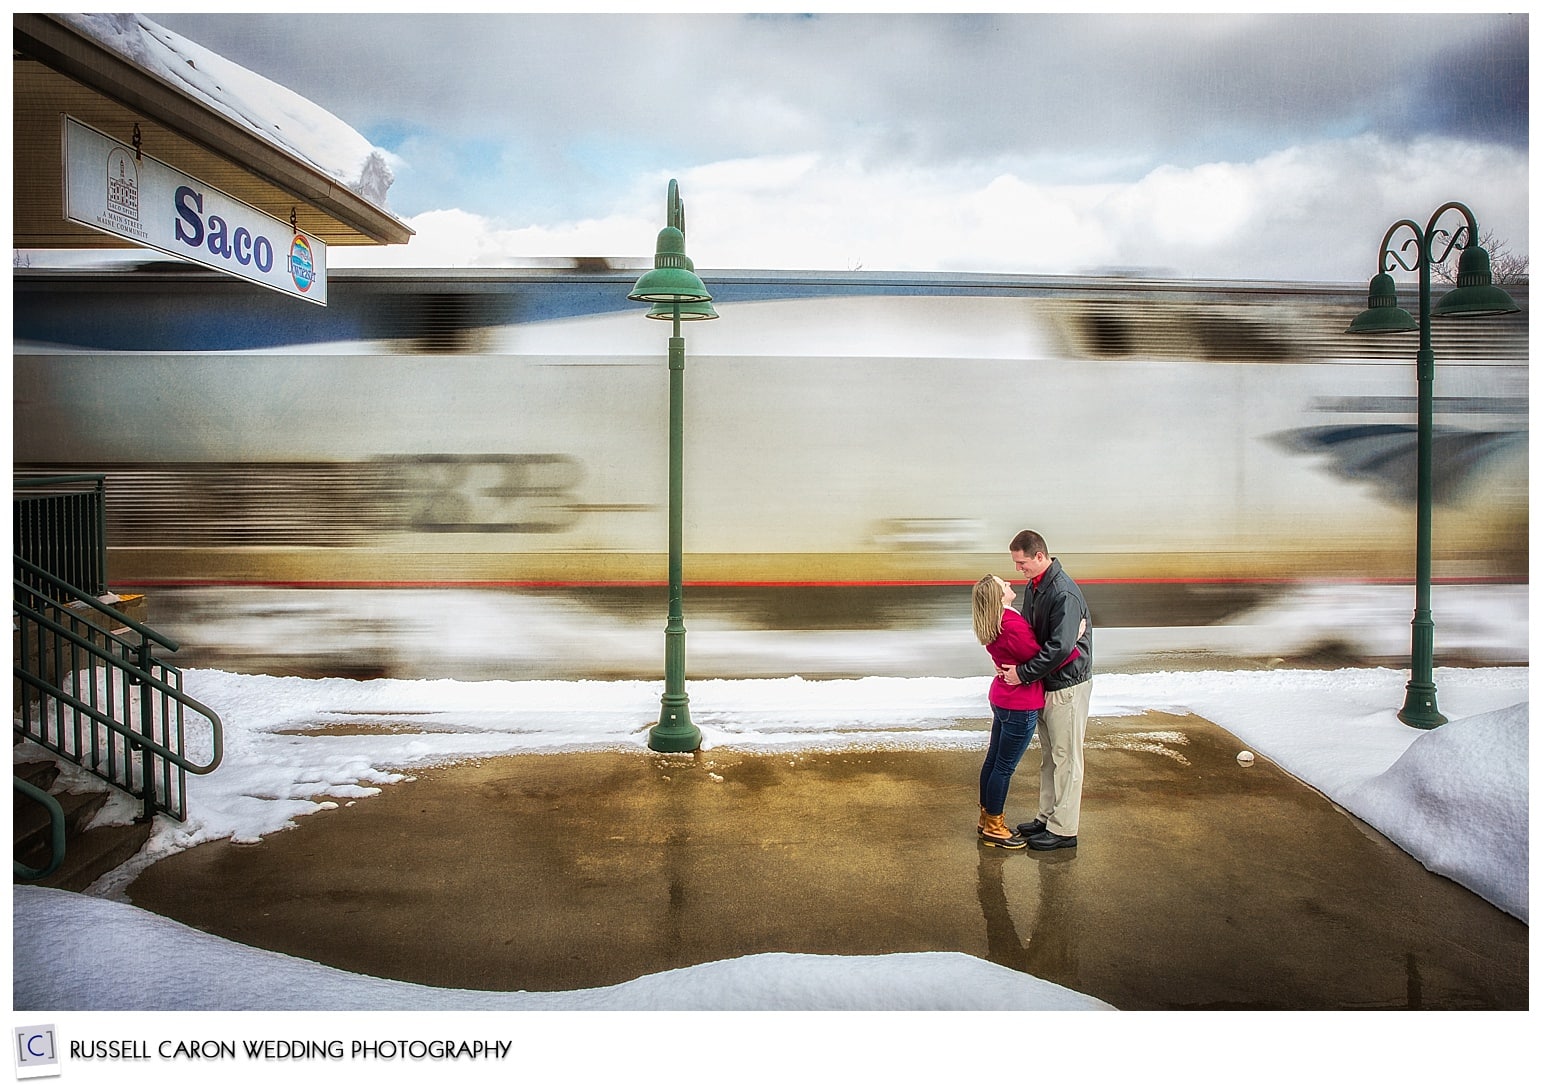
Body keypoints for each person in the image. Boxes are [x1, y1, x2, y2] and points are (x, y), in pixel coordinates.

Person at [999, 529, 1092, 851]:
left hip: (1067, 685)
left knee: (1066, 757)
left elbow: (1059, 648)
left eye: (1021, 562)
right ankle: (1047, 817)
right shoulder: (1038, 586)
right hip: (1049, 682)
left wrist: (1022, 674)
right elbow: (1031, 634)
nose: (1018, 569)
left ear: (1039, 556)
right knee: (1051, 758)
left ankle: (1064, 830)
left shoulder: (1063, 593)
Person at [971, 574, 1043, 849]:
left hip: (1002, 697)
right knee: (1004, 766)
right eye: (1005, 585)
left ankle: (985, 817)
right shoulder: (1011, 623)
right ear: (998, 596)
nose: (1010, 585)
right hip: (1019, 702)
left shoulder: (991, 622)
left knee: (993, 760)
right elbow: (1041, 656)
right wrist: (1074, 643)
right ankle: (994, 826)